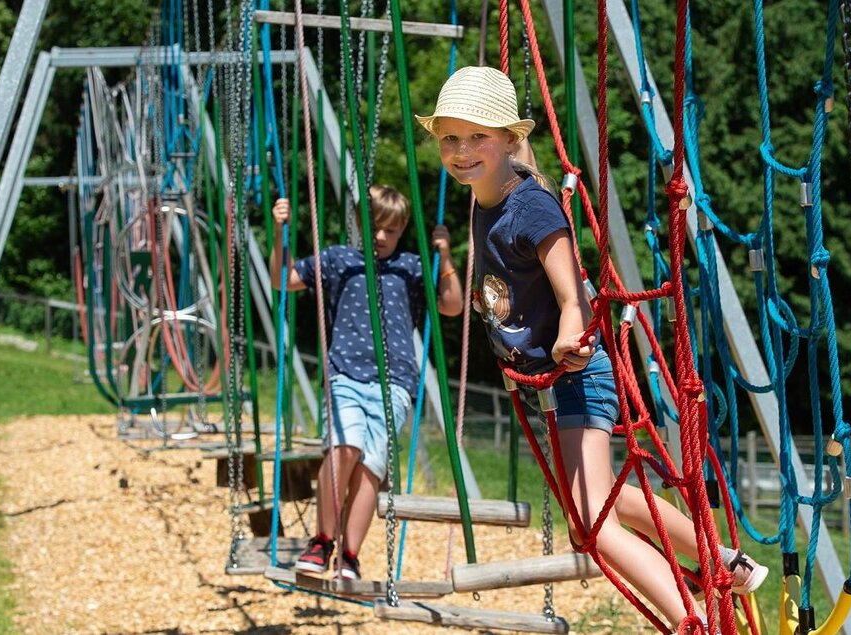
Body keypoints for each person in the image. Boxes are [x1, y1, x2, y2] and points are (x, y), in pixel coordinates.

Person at [416, 66, 767, 631]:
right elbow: (513, 171)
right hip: (549, 385)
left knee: (594, 524)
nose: (461, 151)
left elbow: (572, 289)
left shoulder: (530, 207)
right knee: (602, 506)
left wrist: (569, 331)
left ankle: (691, 618)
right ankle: (723, 560)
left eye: (477, 136)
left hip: (574, 372)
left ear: (508, 138)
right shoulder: (486, 194)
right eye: (450, 138)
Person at [269, 185, 463, 578]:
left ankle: (350, 555)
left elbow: (452, 305)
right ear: (360, 224)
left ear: (402, 229)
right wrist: (279, 233)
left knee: (371, 466)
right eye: (374, 227)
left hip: (394, 382)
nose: (380, 236)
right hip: (345, 373)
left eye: (390, 230)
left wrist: (444, 255)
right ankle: (323, 540)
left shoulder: (411, 267)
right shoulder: (339, 260)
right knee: (344, 449)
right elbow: (283, 279)